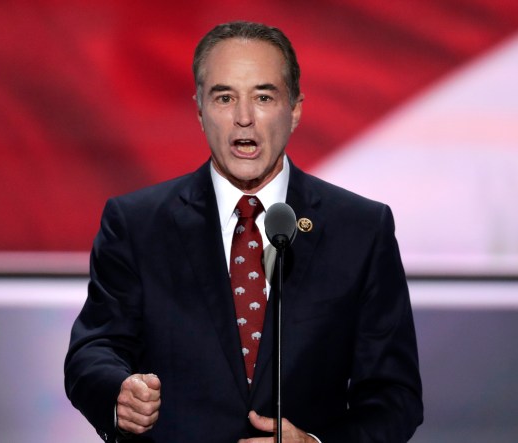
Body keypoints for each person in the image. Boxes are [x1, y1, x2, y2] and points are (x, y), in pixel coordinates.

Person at [64, 20, 423, 442]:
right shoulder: (137, 224)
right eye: (224, 97)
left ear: (295, 110)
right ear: (199, 111)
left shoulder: (361, 230)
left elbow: (394, 395)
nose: (244, 118)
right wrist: (118, 395)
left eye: (264, 96)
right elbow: (94, 350)